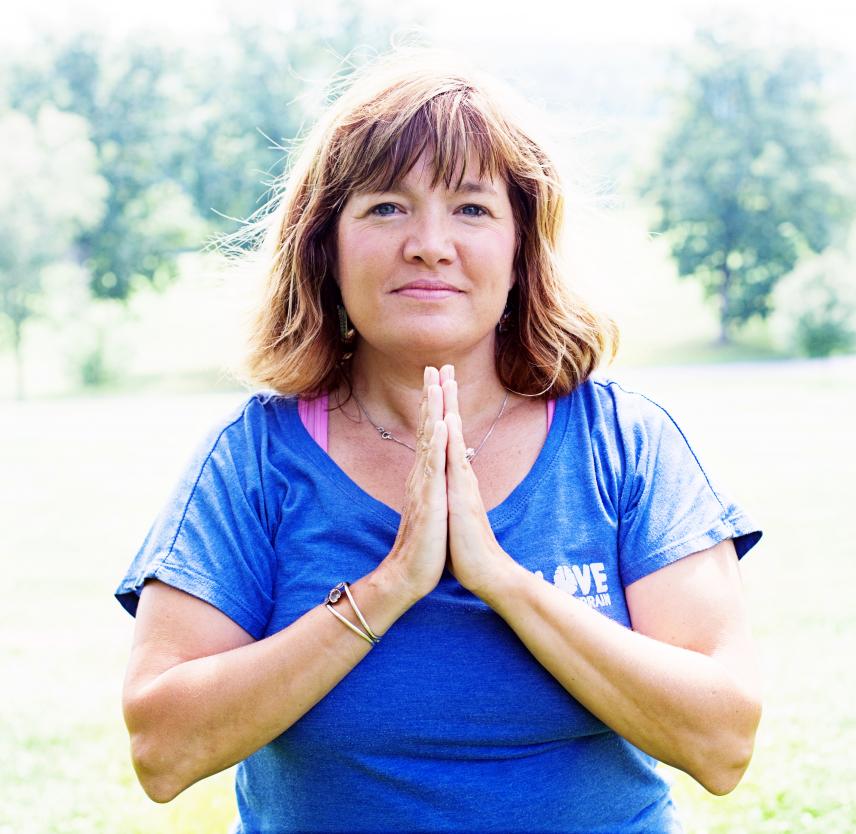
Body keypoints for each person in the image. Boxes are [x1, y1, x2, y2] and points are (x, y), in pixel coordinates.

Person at [116, 48, 763, 833]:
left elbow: (724, 743)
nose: (428, 243)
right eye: (386, 207)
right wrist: (387, 588)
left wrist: (501, 579)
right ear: (325, 247)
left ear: (522, 250)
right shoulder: (253, 460)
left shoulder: (625, 444)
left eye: (472, 208)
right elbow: (162, 751)